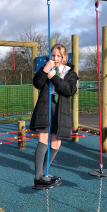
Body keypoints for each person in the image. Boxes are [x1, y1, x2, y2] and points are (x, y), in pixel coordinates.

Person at [30, 44, 78, 189]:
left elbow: (69, 90)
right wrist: (45, 70)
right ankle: (38, 177)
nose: (55, 58)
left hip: (61, 109)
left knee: (56, 143)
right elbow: (37, 84)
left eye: (58, 56)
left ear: (64, 58)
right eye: (53, 55)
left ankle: (45, 173)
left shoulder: (70, 73)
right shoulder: (46, 68)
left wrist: (54, 77)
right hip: (46, 106)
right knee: (43, 139)